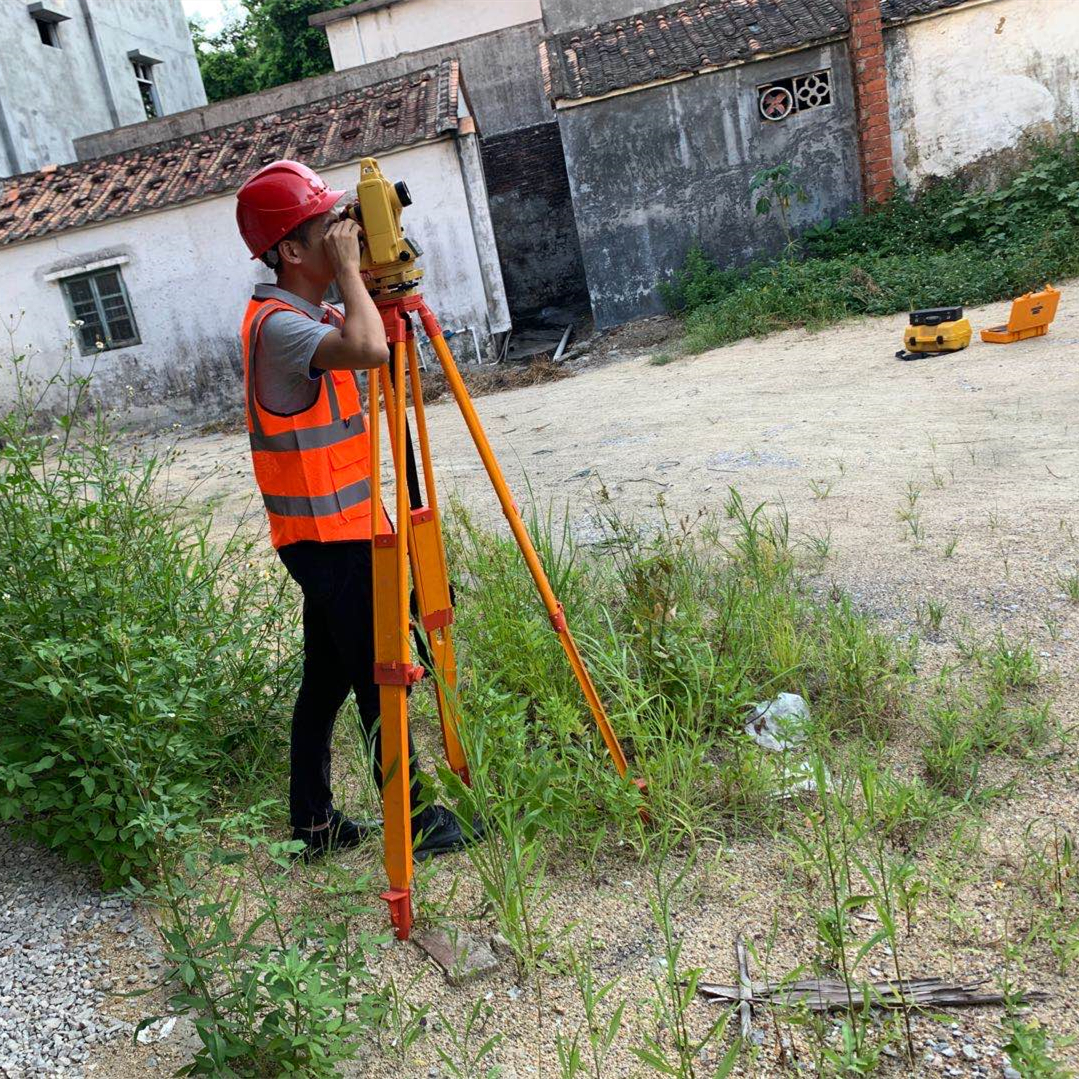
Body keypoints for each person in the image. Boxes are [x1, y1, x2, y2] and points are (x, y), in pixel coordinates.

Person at [235, 159, 467, 861]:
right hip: (328, 537)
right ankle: (417, 820)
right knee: (379, 674)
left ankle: (312, 822)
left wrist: (361, 267)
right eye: (324, 228)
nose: (343, 233)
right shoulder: (279, 325)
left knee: (328, 678)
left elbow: (371, 333)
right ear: (289, 251)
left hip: (340, 530)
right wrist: (348, 272)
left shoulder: (314, 311)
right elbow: (371, 348)